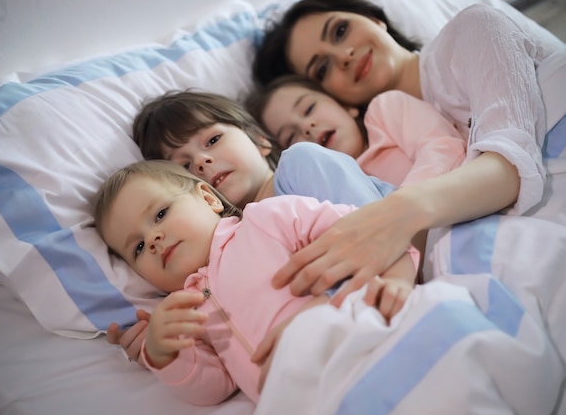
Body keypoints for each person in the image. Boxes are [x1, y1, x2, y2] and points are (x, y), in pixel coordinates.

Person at [251, 0, 566, 299]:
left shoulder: (472, 29)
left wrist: (395, 218)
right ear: (329, 96)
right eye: (322, 69)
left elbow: (510, 167)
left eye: (340, 30)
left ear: (376, 19)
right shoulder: (366, 165)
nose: (343, 55)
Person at [109, 89, 400, 364]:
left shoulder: (299, 163)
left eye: (212, 141)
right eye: (183, 166)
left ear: (260, 140)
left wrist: (318, 314)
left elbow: (376, 233)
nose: (201, 161)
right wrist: (164, 352)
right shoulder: (225, 257)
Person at [93, 159, 420, 405]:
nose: (153, 239)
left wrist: (396, 280)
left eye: (161, 214)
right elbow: (215, 387)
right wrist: (166, 354)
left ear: (209, 199)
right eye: (137, 247)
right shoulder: (186, 312)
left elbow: (368, 231)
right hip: (303, 401)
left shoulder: (268, 220)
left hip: (362, 339)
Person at [245, 74, 466, 187]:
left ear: (345, 104)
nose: (306, 127)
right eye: (291, 136)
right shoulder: (328, 193)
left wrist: (401, 207)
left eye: (309, 108)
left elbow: (444, 148)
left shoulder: (385, 111)